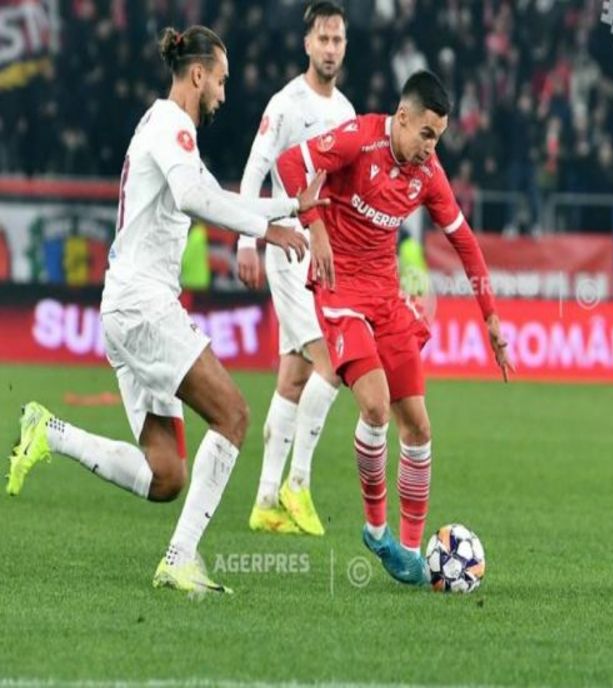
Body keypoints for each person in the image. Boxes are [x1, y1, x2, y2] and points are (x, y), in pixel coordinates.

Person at [6, 26, 322, 594]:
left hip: (125, 307)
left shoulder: (164, 129)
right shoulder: (172, 126)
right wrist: (271, 228)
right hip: (143, 305)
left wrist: (290, 206)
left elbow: (214, 195)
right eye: (221, 80)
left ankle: (48, 431)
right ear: (197, 74)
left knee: (166, 475)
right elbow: (197, 200)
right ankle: (180, 557)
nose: (224, 93)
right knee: (234, 416)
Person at [276, 70, 512, 585]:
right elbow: (291, 161)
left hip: (387, 298)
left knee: (420, 428)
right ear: (401, 118)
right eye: (426, 135)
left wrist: (490, 315)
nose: (431, 148)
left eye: (439, 138)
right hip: (341, 294)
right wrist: (314, 225)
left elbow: (465, 243)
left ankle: (408, 550)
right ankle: (375, 527)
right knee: (376, 405)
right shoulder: (360, 139)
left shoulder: (427, 174)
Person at [237, 1, 355, 537]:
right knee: (334, 361)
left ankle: (265, 501)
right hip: (287, 249)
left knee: (295, 375)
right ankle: (298, 483)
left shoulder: (347, 111)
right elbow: (255, 169)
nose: (330, 48)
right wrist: (246, 238)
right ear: (307, 44)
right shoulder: (285, 104)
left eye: (338, 40)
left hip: (323, 251)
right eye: (322, 39)